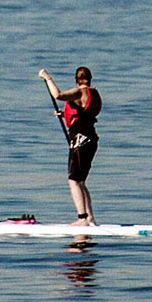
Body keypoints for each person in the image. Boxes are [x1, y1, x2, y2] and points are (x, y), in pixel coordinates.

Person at [39, 66, 101, 224]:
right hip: (91, 138)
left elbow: (58, 95)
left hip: (80, 140)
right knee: (80, 181)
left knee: (73, 180)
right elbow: (83, 113)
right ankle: (90, 218)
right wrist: (65, 114)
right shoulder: (94, 93)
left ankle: (82, 218)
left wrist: (47, 78)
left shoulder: (79, 92)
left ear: (77, 79)